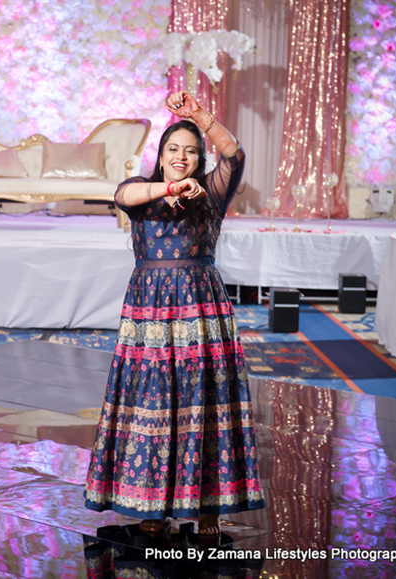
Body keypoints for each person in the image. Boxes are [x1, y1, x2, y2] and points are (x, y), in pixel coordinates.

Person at [84, 91, 265, 535]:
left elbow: (234, 155)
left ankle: (209, 509)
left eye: (190, 151)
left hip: (201, 311)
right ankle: (151, 504)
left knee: (204, 403)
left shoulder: (212, 196)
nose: (182, 157)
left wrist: (199, 117)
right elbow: (122, 193)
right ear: (161, 157)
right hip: (149, 314)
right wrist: (169, 189)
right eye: (173, 150)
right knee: (153, 403)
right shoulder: (142, 193)